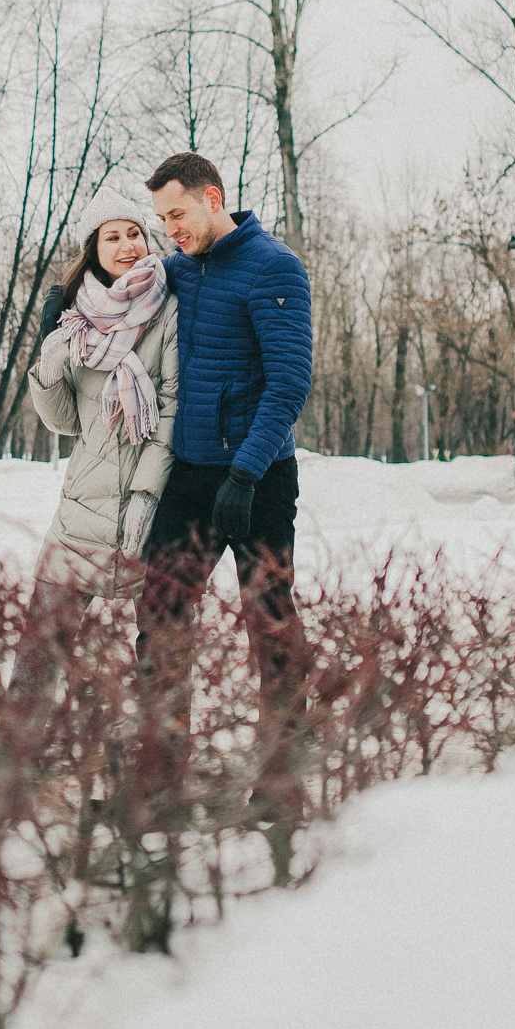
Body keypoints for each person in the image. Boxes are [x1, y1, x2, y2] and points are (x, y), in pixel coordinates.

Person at [138, 151, 313, 755]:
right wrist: (65, 303)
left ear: (212, 199)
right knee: (160, 615)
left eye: (177, 214)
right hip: (189, 475)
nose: (170, 230)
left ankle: (281, 772)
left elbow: (288, 384)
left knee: (269, 620)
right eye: (162, 219)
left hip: (258, 478)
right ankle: (159, 771)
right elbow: (119, 287)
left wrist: (244, 473)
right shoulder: (182, 268)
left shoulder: (274, 268)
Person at [28, 190, 180, 589]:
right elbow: (66, 422)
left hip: (151, 511)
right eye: (112, 237)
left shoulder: (169, 309)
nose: (127, 246)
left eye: (134, 233)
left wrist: (145, 495)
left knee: (158, 629)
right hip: (80, 510)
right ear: (94, 250)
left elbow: (172, 408)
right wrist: (50, 362)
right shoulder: (75, 317)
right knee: (44, 628)